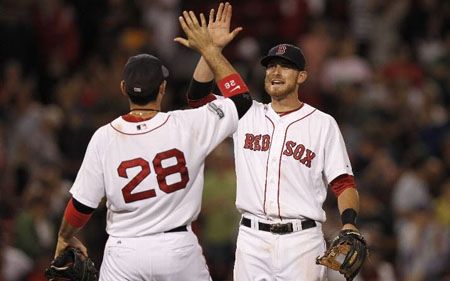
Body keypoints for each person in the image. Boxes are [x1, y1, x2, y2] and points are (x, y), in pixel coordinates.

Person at [51, 7, 251, 280]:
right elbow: (241, 100)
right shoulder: (187, 125)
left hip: (124, 251)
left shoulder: (105, 137)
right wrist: (211, 51)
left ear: (123, 89)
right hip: (177, 250)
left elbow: (82, 206)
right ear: (162, 89)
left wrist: (64, 237)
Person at [187, 2, 361, 280]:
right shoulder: (245, 113)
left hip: (302, 242)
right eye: (272, 66)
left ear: (302, 76)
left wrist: (349, 223)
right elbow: (197, 97)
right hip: (251, 239)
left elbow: (343, 183)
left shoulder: (322, 123)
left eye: (286, 67)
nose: (276, 72)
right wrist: (212, 51)